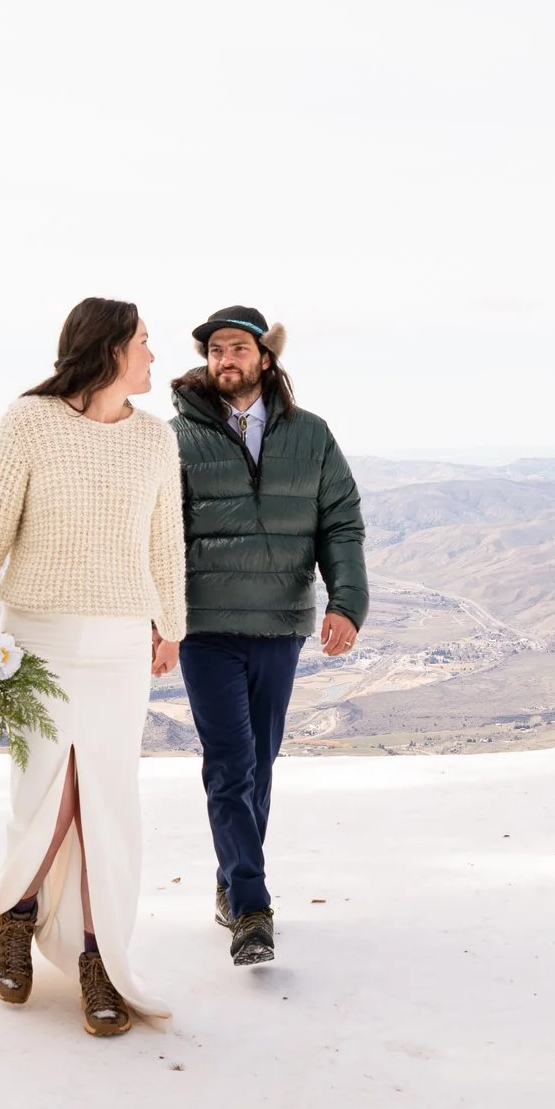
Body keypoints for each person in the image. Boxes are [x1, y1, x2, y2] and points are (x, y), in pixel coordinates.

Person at [0, 298, 187, 1038]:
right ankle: (15, 918)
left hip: (119, 644)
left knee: (108, 800)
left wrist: (170, 623)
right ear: (110, 349)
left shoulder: (155, 440)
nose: (153, 355)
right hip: (37, 637)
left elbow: (165, 539)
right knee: (42, 790)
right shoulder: (28, 422)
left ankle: (97, 955)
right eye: (145, 342)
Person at [170, 305, 367, 966]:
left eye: (237, 347)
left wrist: (348, 601)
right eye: (214, 349)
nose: (225, 358)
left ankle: (230, 884)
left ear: (264, 358)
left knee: (260, 768)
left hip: (280, 626)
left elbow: (340, 521)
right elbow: (155, 535)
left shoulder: (310, 436)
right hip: (206, 628)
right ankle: (253, 911)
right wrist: (157, 618)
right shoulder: (173, 439)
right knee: (230, 764)